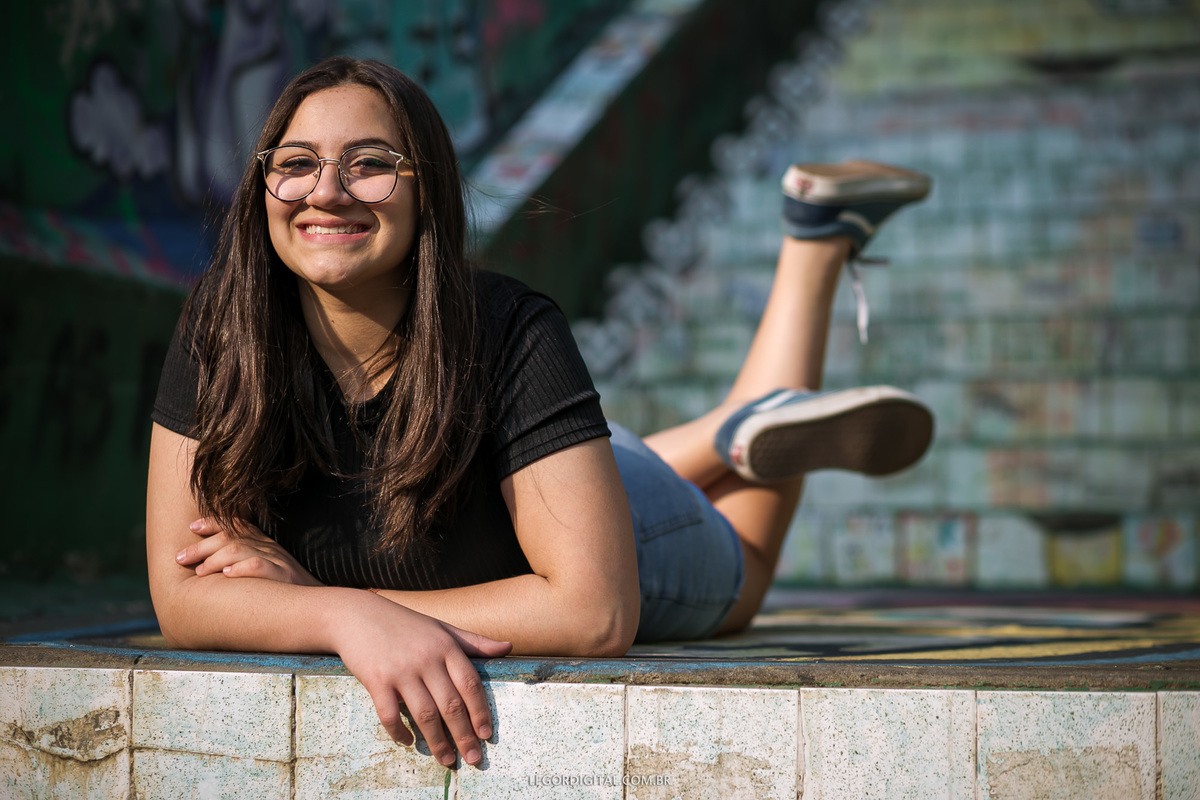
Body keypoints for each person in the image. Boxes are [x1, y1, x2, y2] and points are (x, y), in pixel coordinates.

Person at [146, 56, 933, 770]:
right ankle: (727, 434)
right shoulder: (224, 329)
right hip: (550, 477)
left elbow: (594, 611)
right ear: (262, 186)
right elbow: (182, 598)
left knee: (746, 570)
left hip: (598, 511)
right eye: (297, 165)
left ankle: (812, 253)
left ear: (429, 189)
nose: (326, 191)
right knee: (618, 466)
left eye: (371, 166)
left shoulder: (509, 329)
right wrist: (340, 616)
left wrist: (336, 607)